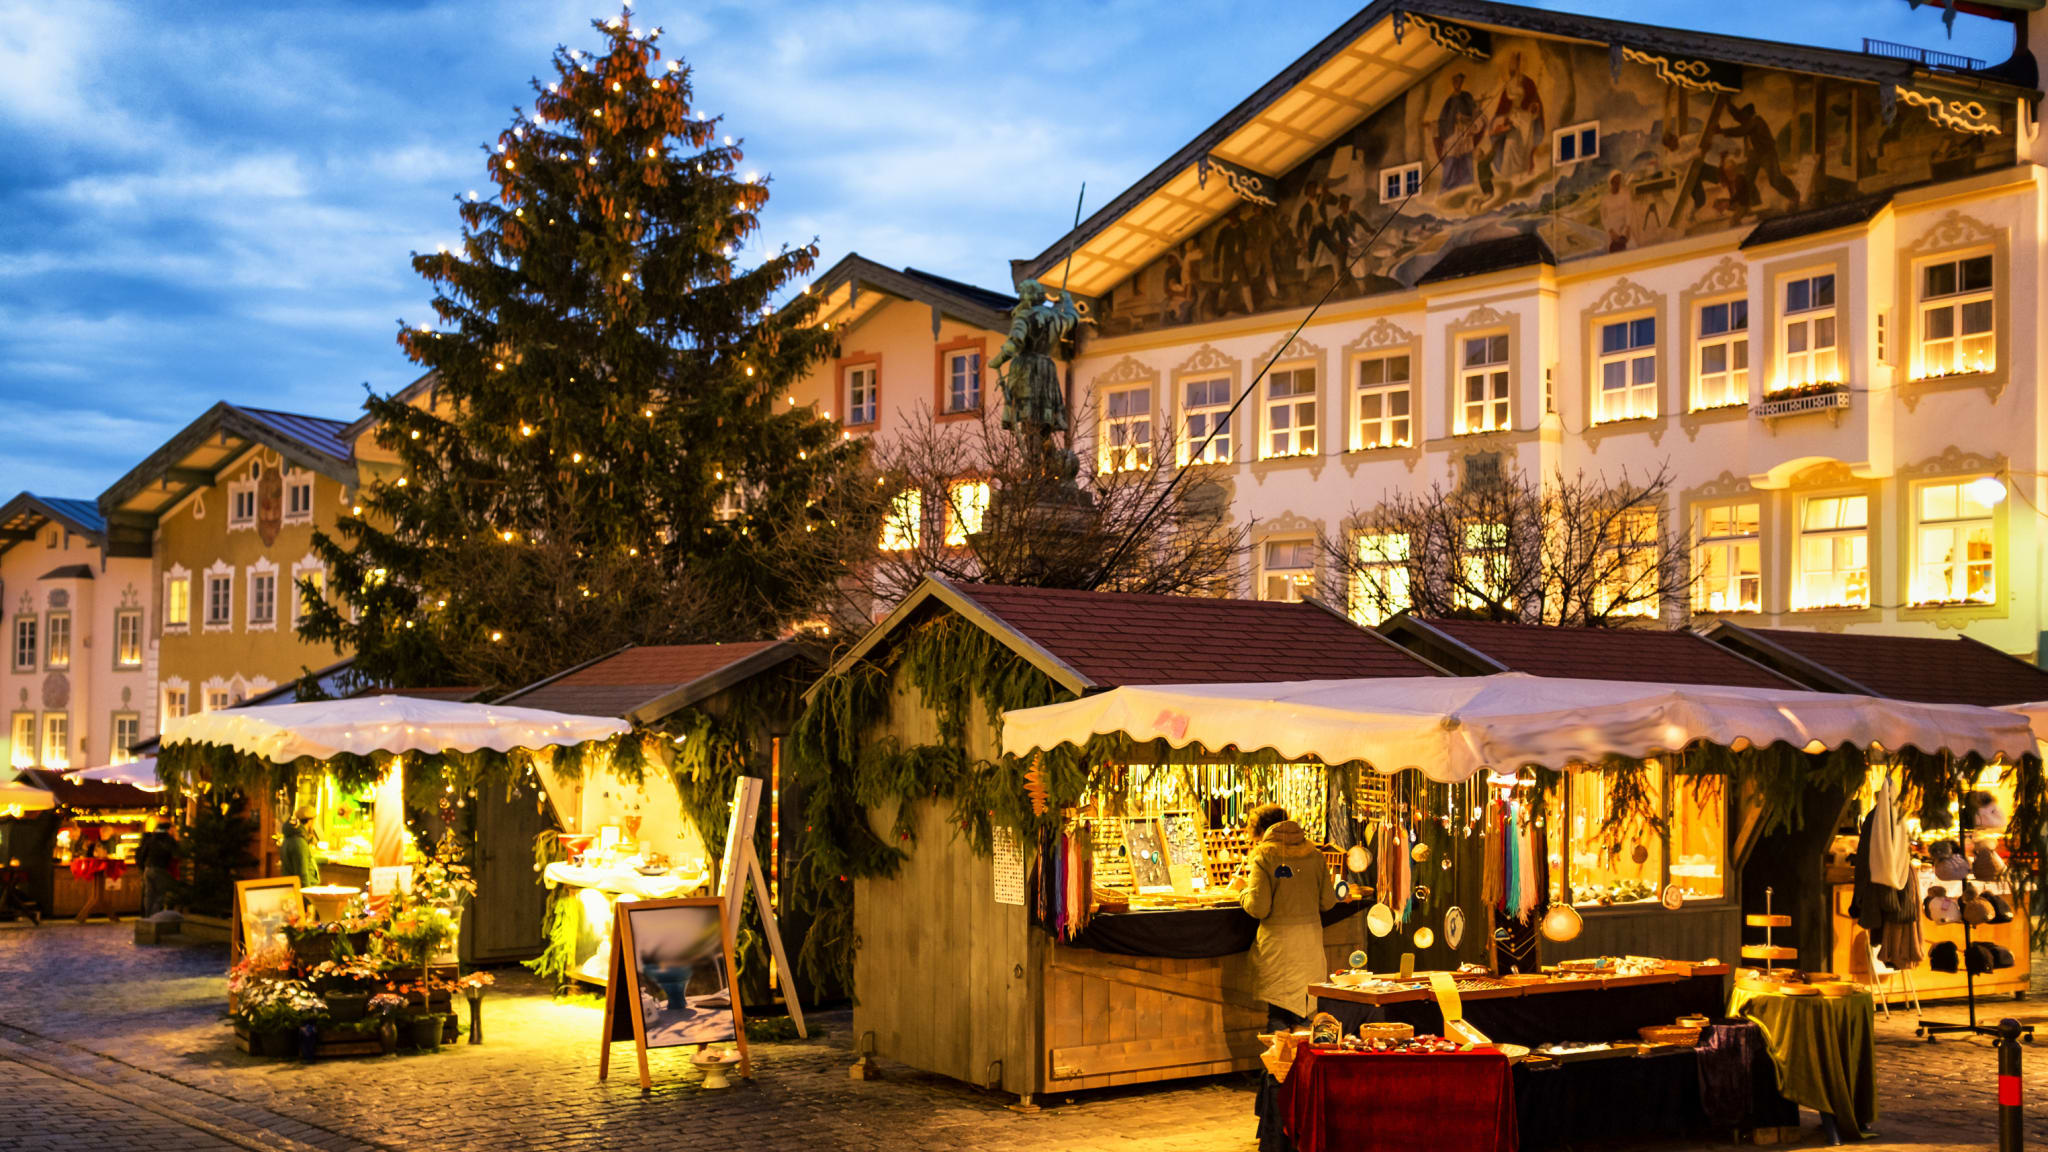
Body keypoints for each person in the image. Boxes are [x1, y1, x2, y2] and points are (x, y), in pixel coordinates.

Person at [1236, 803, 1337, 1032]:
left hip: (1278, 949)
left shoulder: (1264, 857)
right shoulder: (1315, 855)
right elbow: (1328, 902)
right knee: (1304, 1016)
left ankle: (1277, 1068)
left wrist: (1242, 892)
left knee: (1279, 1016)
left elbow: (1259, 907)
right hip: (1310, 947)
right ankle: (1303, 1065)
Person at [136, 815, 178, 917]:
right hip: (160, 868)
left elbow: (142, 854)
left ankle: (147, 917)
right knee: (159, 895)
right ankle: (155, 918)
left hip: (148, 868)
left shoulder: (151, 838)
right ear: (169, 829)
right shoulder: (168, 840)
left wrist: (143, 867)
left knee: (149, 895)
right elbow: (175, 853)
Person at [279, 804, 321, 888]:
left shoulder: (290, 837)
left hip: (290, 887)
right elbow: (302, 874)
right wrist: (307, 895)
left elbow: (305, 859)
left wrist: (327, 860)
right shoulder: (299, 842)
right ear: (310, 821)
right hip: (302, 891)